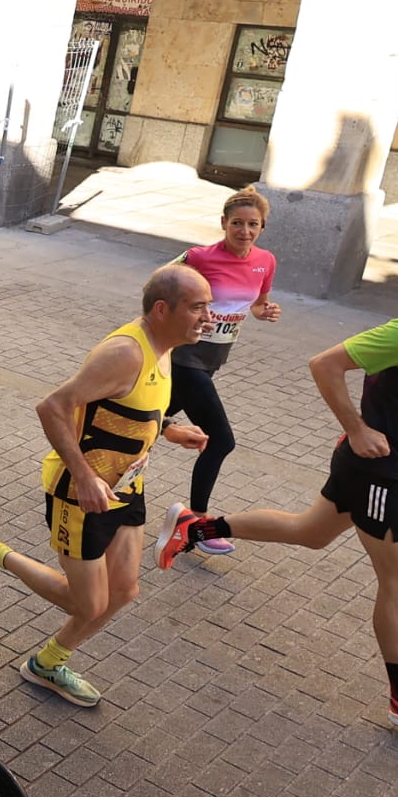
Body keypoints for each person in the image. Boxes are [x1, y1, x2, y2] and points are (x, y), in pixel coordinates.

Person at [0, 265, 212, 706]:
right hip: (80, 492)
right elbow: (53, 407)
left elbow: (123, 406)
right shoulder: (126, 352)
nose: (208, 317)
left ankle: (47, 664)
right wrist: (86, 477)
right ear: (163, 309)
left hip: (125, 488)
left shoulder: (165, 348)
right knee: (87, 604)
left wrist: (168, 428)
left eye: (209, 305)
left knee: (124, 590)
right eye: (198, 307)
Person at [157, 312, 398, 728]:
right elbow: (325, 363)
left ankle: (196, 528)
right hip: (379, 473)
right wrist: (356, 428)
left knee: (309, 532)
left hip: (377, 468)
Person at [162, 187, 280, 555]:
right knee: (221, 441)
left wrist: (265, 312)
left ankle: (85, 472)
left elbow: (257, 304)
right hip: (186, 359)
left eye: (252, 224)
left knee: (150, 418)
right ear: (223, 224)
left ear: (261, 227)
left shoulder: (265, 261)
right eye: (237, 223)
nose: (244, 231)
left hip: (213, 361)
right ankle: (193, 523)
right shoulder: (200, 257)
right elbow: (160, 287)